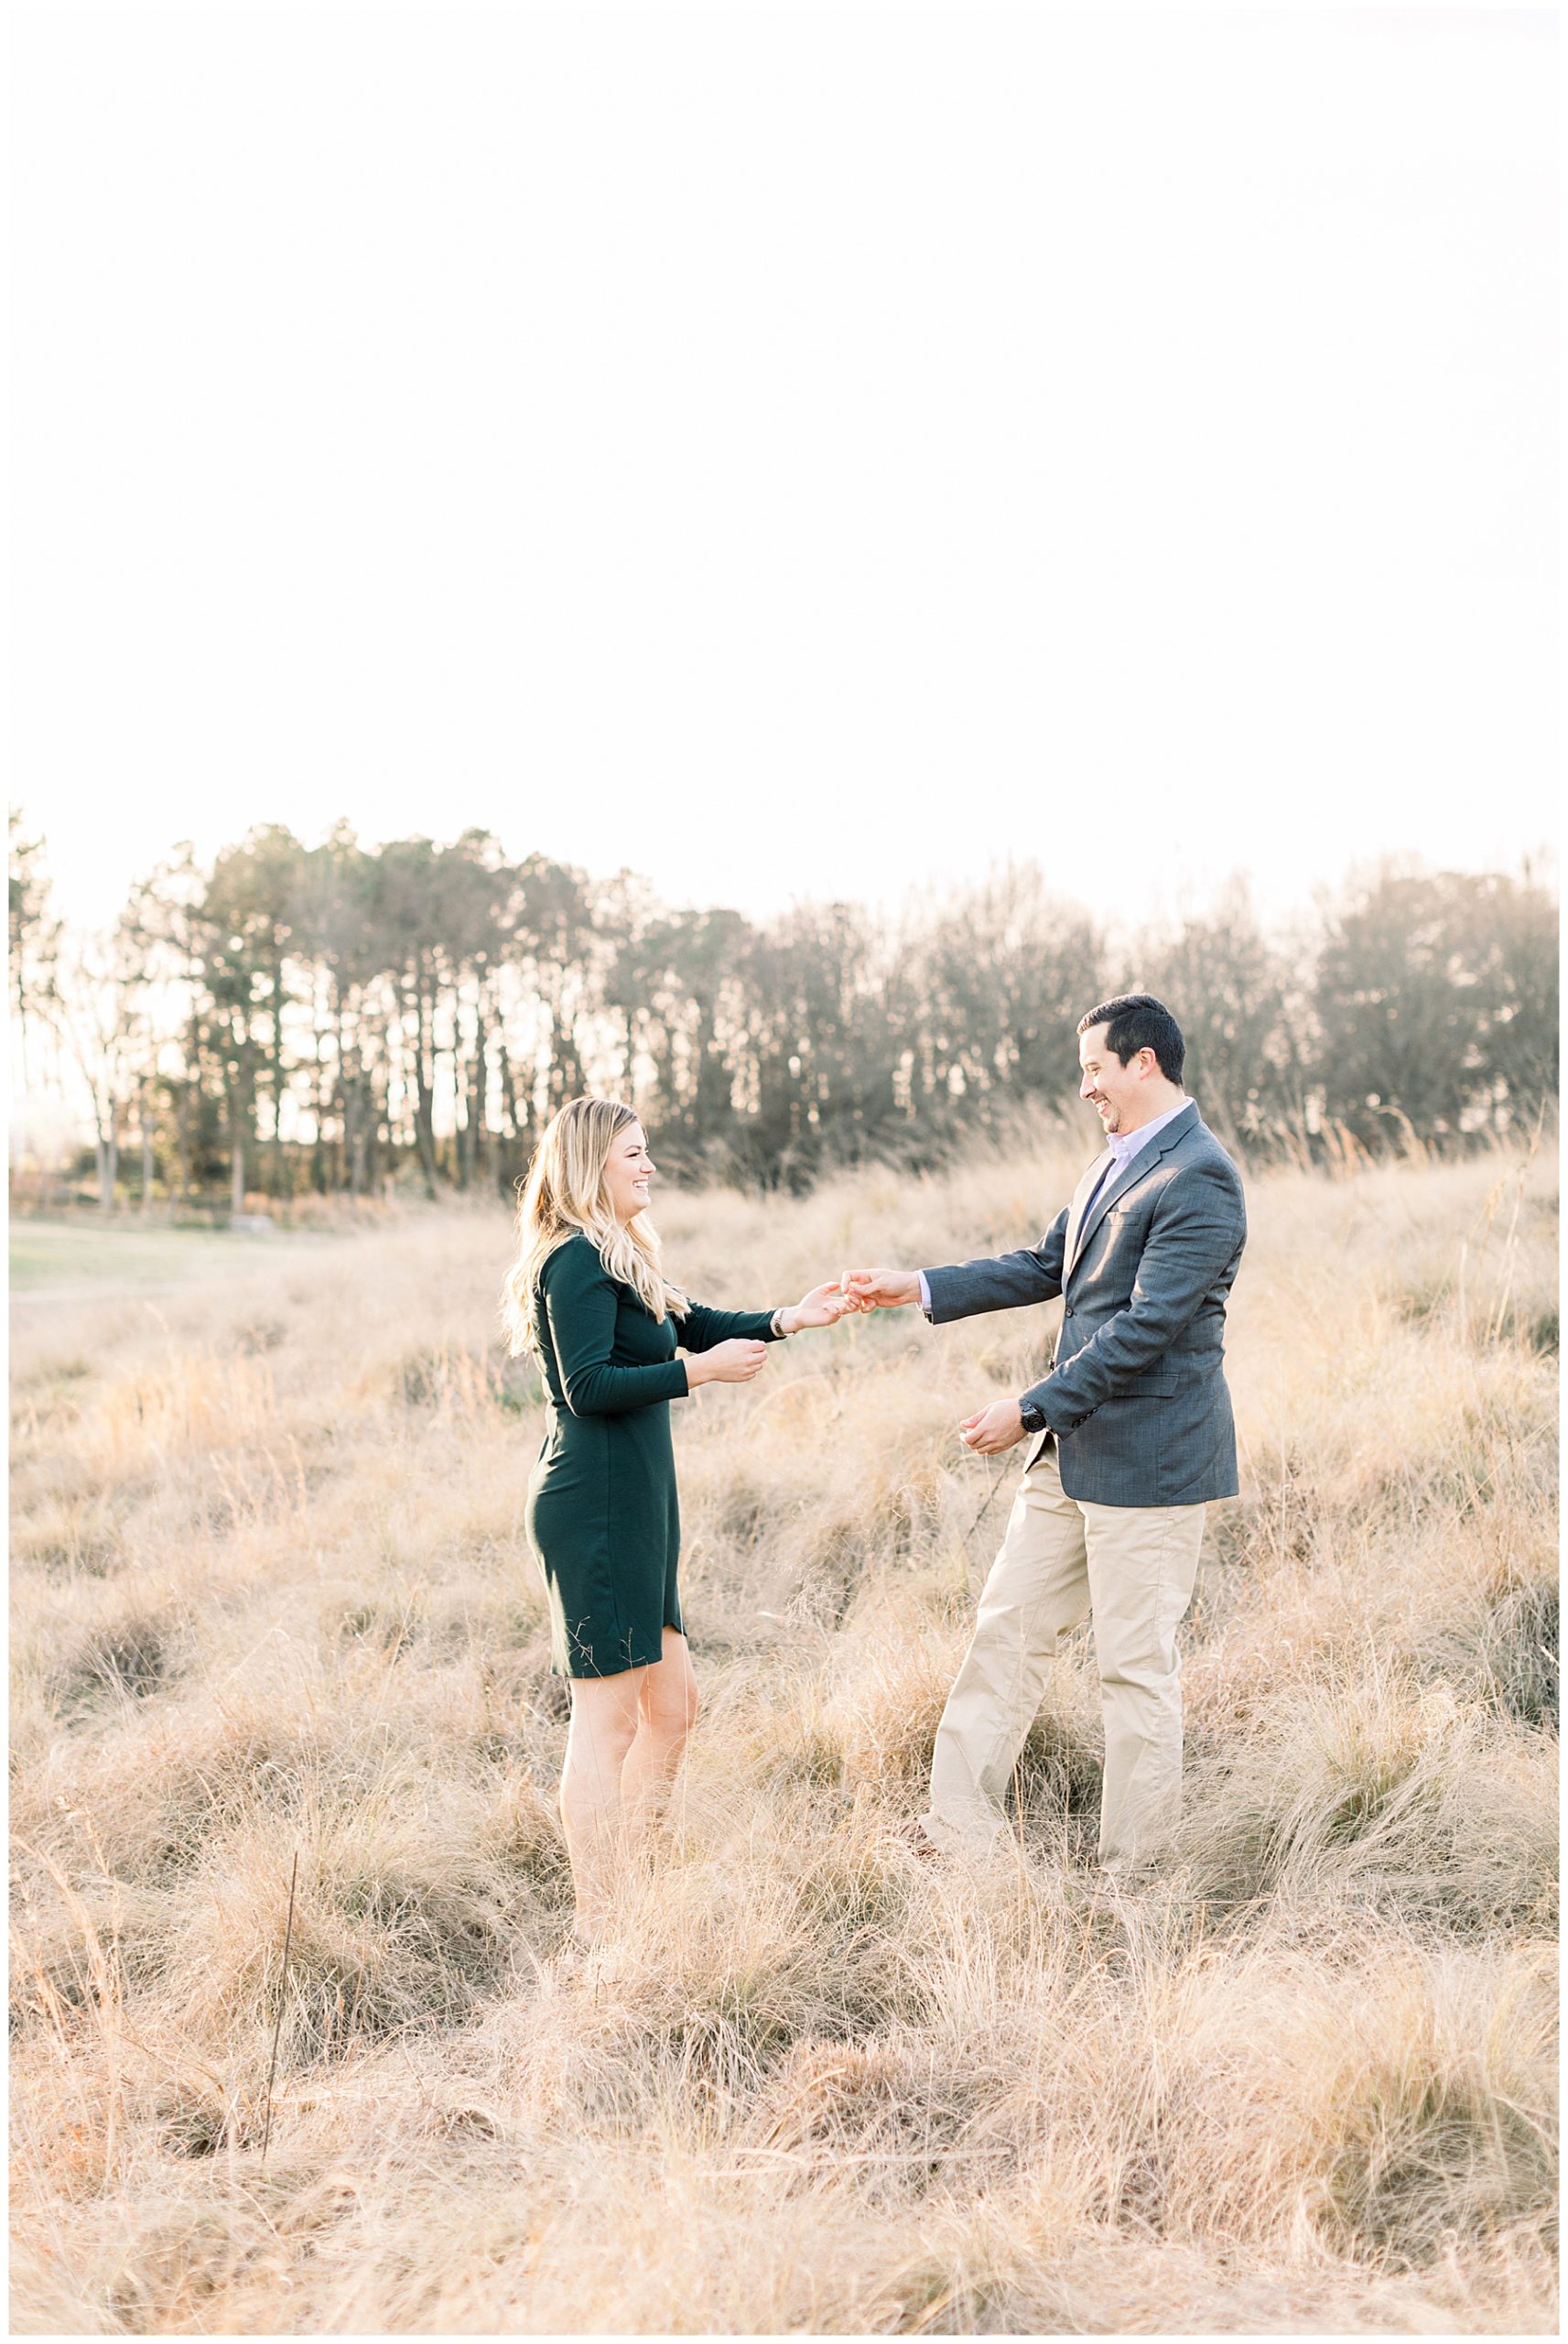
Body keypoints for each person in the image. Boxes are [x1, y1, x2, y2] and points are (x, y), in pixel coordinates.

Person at [842, 993, 1247, 1877]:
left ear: (1145, 1062)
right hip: (1071, 1454)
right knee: (1006, 1633)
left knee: (1134, 1672)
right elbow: (1041, 1265)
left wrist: (1026, 1409)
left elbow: (1145, 1330)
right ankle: (957, 1833)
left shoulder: (1200, 1177)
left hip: (1151, 1463)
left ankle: (1136, 1878)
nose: (1085, 1089)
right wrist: (915, 1284)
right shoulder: (1111, 1163)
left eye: (1094, 1070)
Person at [500, 1094, 851, 1938]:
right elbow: (587, 1387)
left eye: (646, 1151)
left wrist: (788, 1319)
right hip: (595, 1505)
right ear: (591, 1164)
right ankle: (599, 1921)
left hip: (640, 1507)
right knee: (608, 1717)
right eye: (633, 1154)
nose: (649, 1165)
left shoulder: (618, 1255)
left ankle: (638, 1876)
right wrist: (701, 1375)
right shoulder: (573, 1261)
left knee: (673, 1708)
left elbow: (696, 1324)